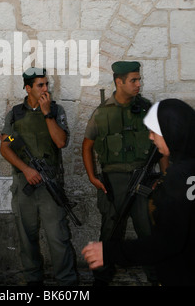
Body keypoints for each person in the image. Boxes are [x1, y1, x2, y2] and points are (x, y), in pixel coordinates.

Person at [82, 98, 195, 287]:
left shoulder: (177, 179)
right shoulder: (185, 173)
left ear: (171, 132)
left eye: (154, 132)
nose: (151, 137)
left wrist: (108, 252)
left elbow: (165, 244)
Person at [82, 61, 167, 286]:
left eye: (139, 79)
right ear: (119, 82)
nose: (139, 84)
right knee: (110, 231)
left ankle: (156, 278)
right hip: (113, 182)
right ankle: (102, 277)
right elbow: (87, 145)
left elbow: (163, 146)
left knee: (147, 232)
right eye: (134, 80)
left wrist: (165, 178)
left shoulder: (148, 109)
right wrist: (92, 177)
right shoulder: (102, 113)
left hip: (143, 181)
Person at [0, 67, 77, 286]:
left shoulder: (55, 110)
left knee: (58, 238)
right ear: (27, 88)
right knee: (27, 238)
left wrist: (46, 114)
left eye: (46, 85)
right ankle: (33, 282)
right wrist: (25, 169)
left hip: (50, 185)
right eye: (40, 85)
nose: (45, 89)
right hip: (25, 184)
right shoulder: (15, 114)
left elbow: (61, 142)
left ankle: (67, 284)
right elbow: (7, 146)